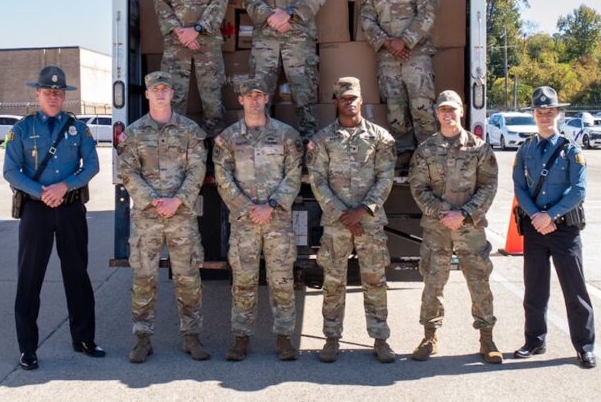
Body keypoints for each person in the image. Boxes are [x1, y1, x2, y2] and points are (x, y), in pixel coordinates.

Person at [3, 65, 103, 371]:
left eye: (59, 92)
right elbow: (10, 171)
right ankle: (27, 349)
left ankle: (84, 339)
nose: (54, 97)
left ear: (64, 96)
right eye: (48, 92)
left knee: (78, 275)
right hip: (36, 211)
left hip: (71, 209)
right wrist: (43, 191)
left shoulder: (78, 128)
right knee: (29, 279)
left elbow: (92, 166)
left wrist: (65, 186)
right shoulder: (21, 130)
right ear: (37, 94)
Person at [117, 71, 210, 363]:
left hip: (181, 215)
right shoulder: (133, 133)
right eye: (155, 90)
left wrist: (178, 200)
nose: (160, 94)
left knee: (188, 277)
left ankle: (191, 336)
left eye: (165, 90)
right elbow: (127, 170)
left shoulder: (190, 131)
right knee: (144, 277)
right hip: (147, 217)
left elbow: (198, 170)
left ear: (172, 95)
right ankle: (142, 338)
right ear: (147, 94)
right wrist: (153, 200)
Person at [307, 77, 397, 363]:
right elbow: (317, 180)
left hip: (369, 221)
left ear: (362, 99)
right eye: (344, 98)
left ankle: (380, 338)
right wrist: (341, 213)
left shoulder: (381, 138)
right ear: (336, 101)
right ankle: (332, 338)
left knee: (375, 280)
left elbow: (385, 177)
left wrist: (363, 210)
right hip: (336, 223)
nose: (349, 102)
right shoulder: (322, 140)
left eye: (354, 97)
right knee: (333, 281)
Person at [408, 90, 502, 364]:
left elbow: (488, 185)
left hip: (469, 229)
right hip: (437, 228)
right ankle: (429, 336)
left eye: (452, 109)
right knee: (433, 283)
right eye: (442, 110)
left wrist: (464, 213)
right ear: (436, 113)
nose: (447, 114)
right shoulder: (425, 150)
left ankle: (487, 338)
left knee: (479, 282)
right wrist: (443, 212)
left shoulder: (478, 148)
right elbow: (418, 187)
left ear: (462, 111)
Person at [213, 78, 303, 361]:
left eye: (259, 95)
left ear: (266, 99)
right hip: (244, 220)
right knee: (243, 279)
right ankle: (241, 337)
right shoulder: (227, 138)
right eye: (248, 96)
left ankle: (285, 338)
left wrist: (272, 205)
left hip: (277, 220)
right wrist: (248, 207)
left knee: (282, 280)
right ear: (240, 100)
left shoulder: (287, 135)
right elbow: (222, 177)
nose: (254, 100)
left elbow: (294, 174)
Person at [512, 86, 596, 369]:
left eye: (549, 112)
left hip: (564, 230)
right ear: (533, 115)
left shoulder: (572, 150)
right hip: (535, 228)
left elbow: (578, 190)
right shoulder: (525, 149)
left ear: (558, 114)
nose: (545, 117)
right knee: (534, 288)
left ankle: (584, 346)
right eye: (539, 112)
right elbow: (519, 187)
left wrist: (551, 216)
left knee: (575, 290)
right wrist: (536, 215)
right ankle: (534, 340)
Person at [243, 0, 327, 140]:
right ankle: (260, 145)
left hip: (298, 36)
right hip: (266, 39)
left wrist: (290, 13)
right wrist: (270, 15)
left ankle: (308, 148)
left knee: (304, 96)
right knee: (259, 94)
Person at [359, 0, 438, 170]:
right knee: (395, 110)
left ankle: (428, 157)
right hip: (387, 59)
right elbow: (366, 20)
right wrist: (387, 42)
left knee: (422, 106)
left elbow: (428, 13)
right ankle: (404, 153)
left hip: (416, 57)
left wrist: (405, 40)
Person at [153, 0, 230, 136]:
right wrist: (180, 31)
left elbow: (220, 0)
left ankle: (215, 158)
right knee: (173, 100)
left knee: (213, 101)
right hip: (176, 45)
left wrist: (197, 29)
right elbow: (160, 2)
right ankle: (178, 153)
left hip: (207, 43)